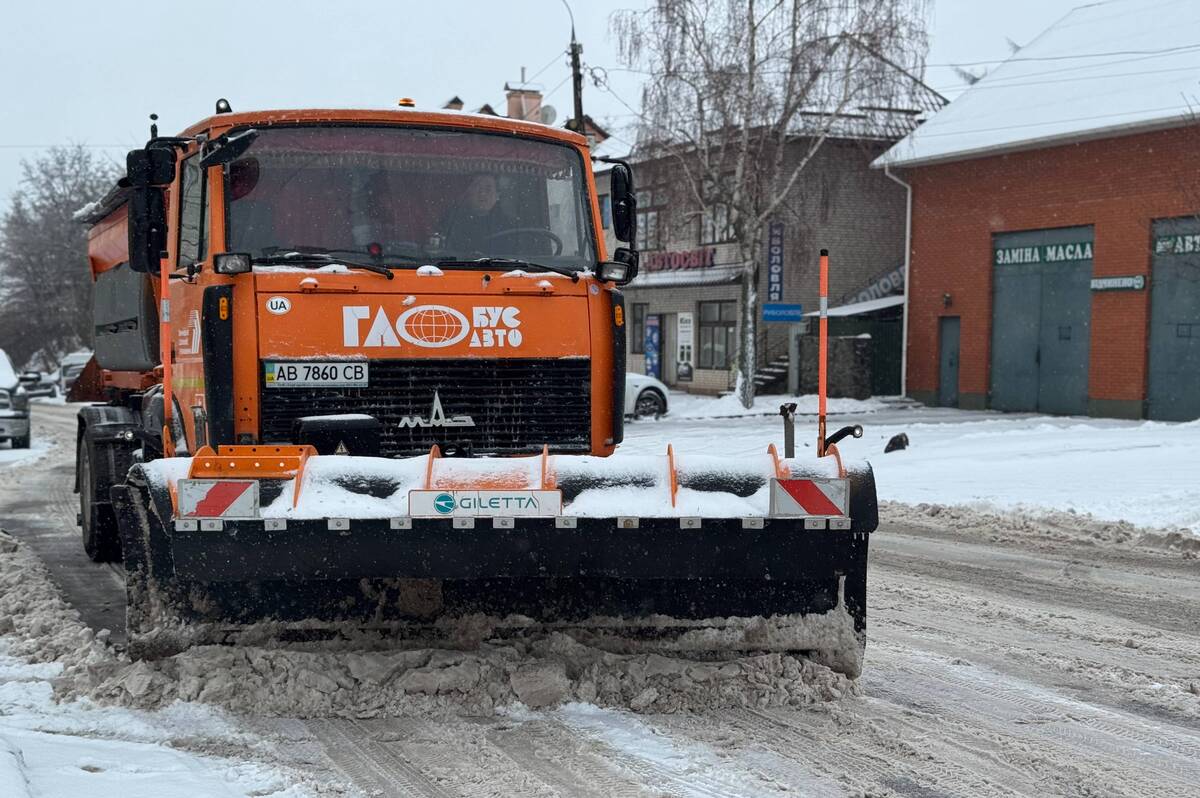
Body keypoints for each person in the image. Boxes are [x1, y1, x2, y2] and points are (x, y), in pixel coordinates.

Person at [438, 173, 517, 254]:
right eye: (477, 187)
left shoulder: (507, 226)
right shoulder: (452, 220)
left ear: (497, 195)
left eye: (488, 189)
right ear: (469, 192)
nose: (482, 193)